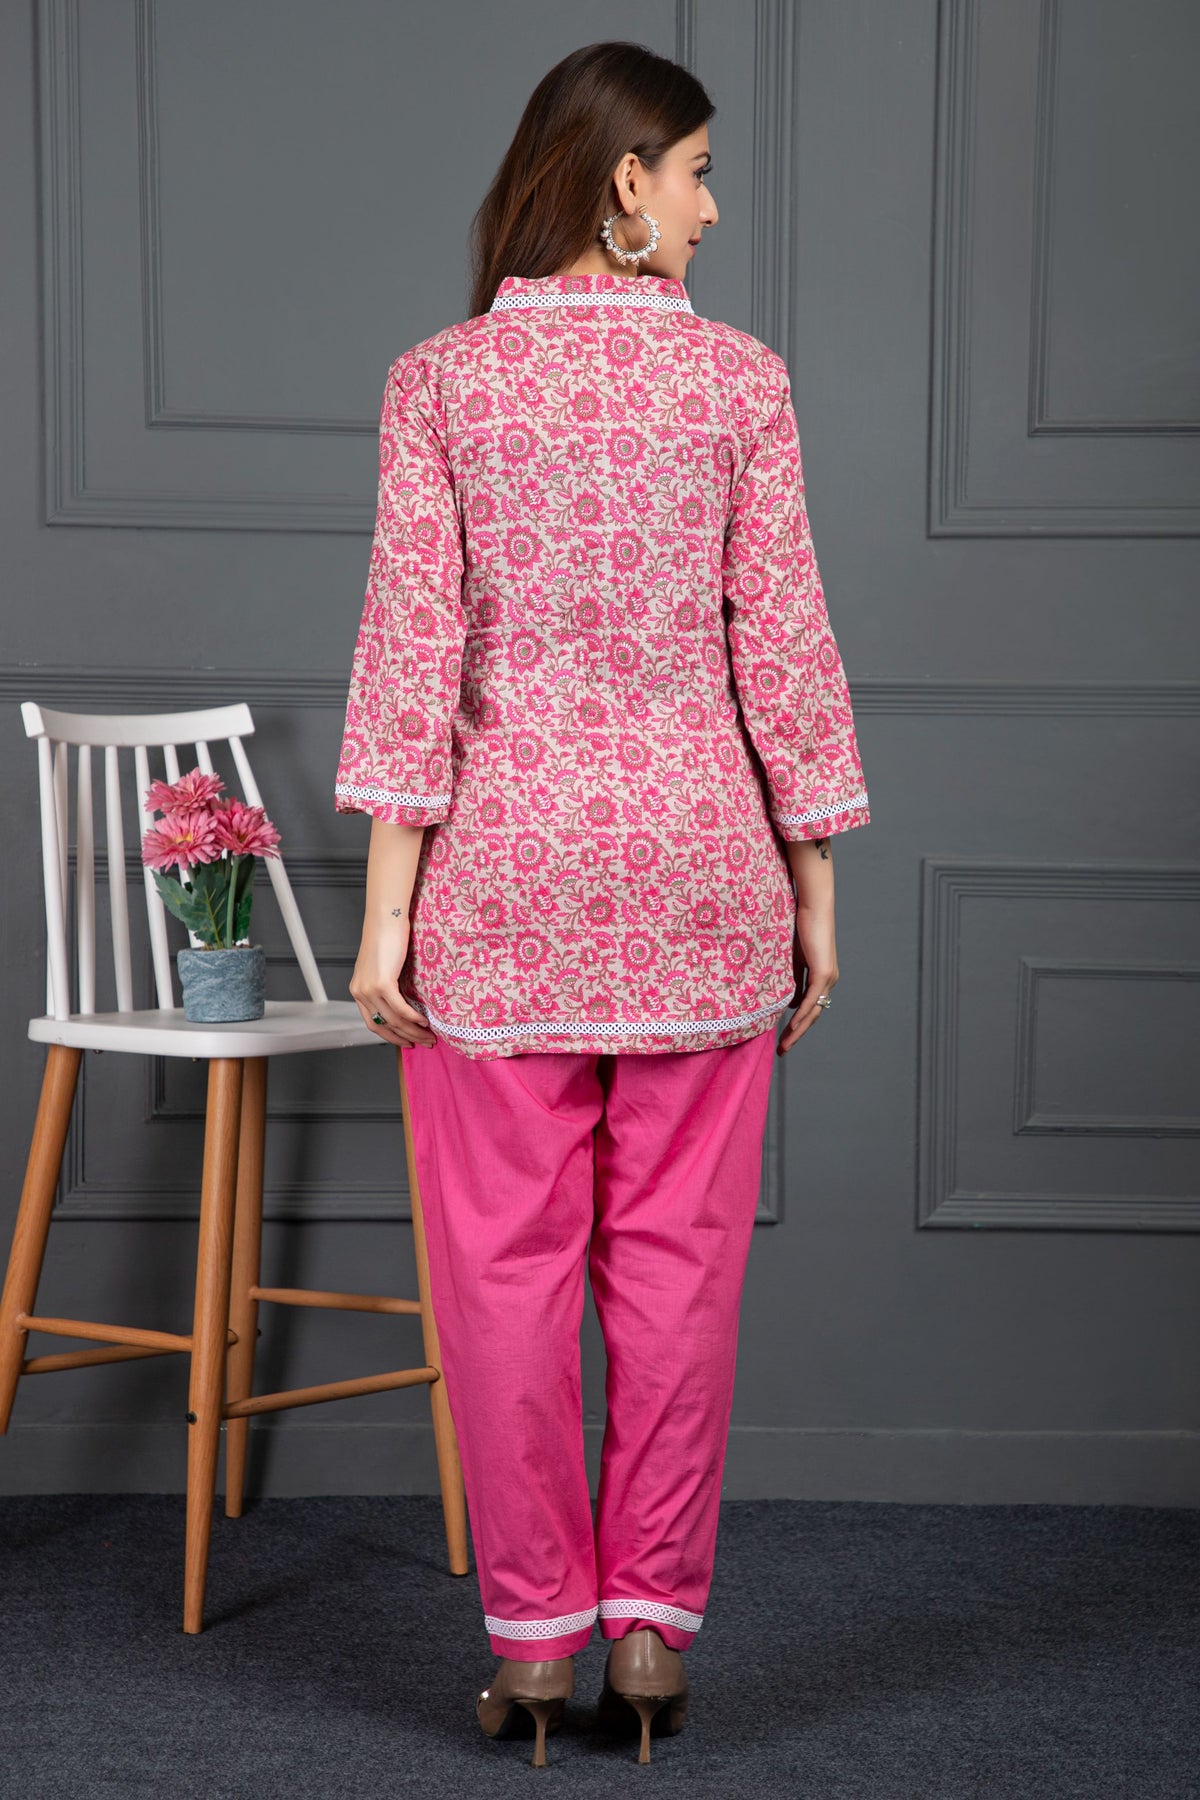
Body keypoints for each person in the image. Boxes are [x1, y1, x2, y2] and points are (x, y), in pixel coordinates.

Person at [334, 40, 871, 1768]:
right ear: (626, 179)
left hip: (504, 890)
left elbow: (412, 658)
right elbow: (783, 647)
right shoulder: (741, 384)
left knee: (500, 1282)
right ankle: (649, 1629)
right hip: (704, 881)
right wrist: (814, 881)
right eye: (698, 171)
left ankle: (534, 1645)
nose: (712, 207)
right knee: (679, 1277)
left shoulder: (441, 382)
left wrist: (385, 919)